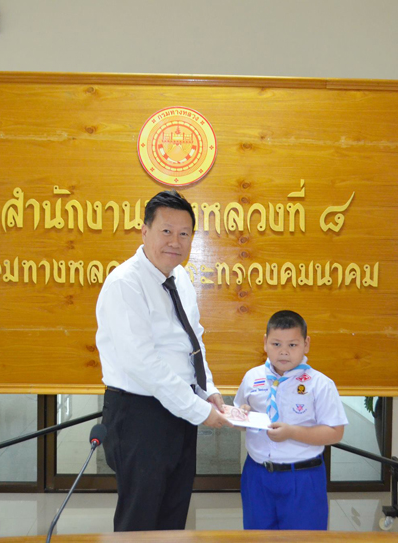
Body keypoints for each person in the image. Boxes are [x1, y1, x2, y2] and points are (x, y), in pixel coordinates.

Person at [96, 190, 231, 531]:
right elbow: (143, 364)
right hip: (140, 415)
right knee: (140, 521)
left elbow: (193, 340)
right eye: (166, 231)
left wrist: (207, 391)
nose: (175, 241)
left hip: (179, 408)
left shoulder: (180, 277)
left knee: (173, 515)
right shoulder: (125, 284)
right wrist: (199, 410)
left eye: (184, 233)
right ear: (145, 231)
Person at [234, 310, 347, 530]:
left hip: (303, 477)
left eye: (292, 345)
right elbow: (239, 419)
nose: (284, 352)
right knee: (257, 537)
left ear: (306, 344)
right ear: (265, 343)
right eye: (276, 344)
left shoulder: (320, 383)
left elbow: (335, 432)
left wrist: (292, 432)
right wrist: (242, 417)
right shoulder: (252, 377)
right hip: (257, 474)